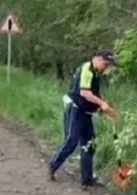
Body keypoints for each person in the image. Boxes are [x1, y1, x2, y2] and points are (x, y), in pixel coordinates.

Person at [48, 50, 118, 187]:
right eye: (105, 64)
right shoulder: (87, 69)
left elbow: (94, 95)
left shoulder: (97, 74)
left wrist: (104, 107)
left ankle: (87, 178)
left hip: (86, 112)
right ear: (97, 59)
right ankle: (53, 166)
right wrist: (102, 104)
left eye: (108, 65)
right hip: (76, 108)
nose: (106, 67)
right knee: (72, 140)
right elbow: (84, 93)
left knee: (89, 143)